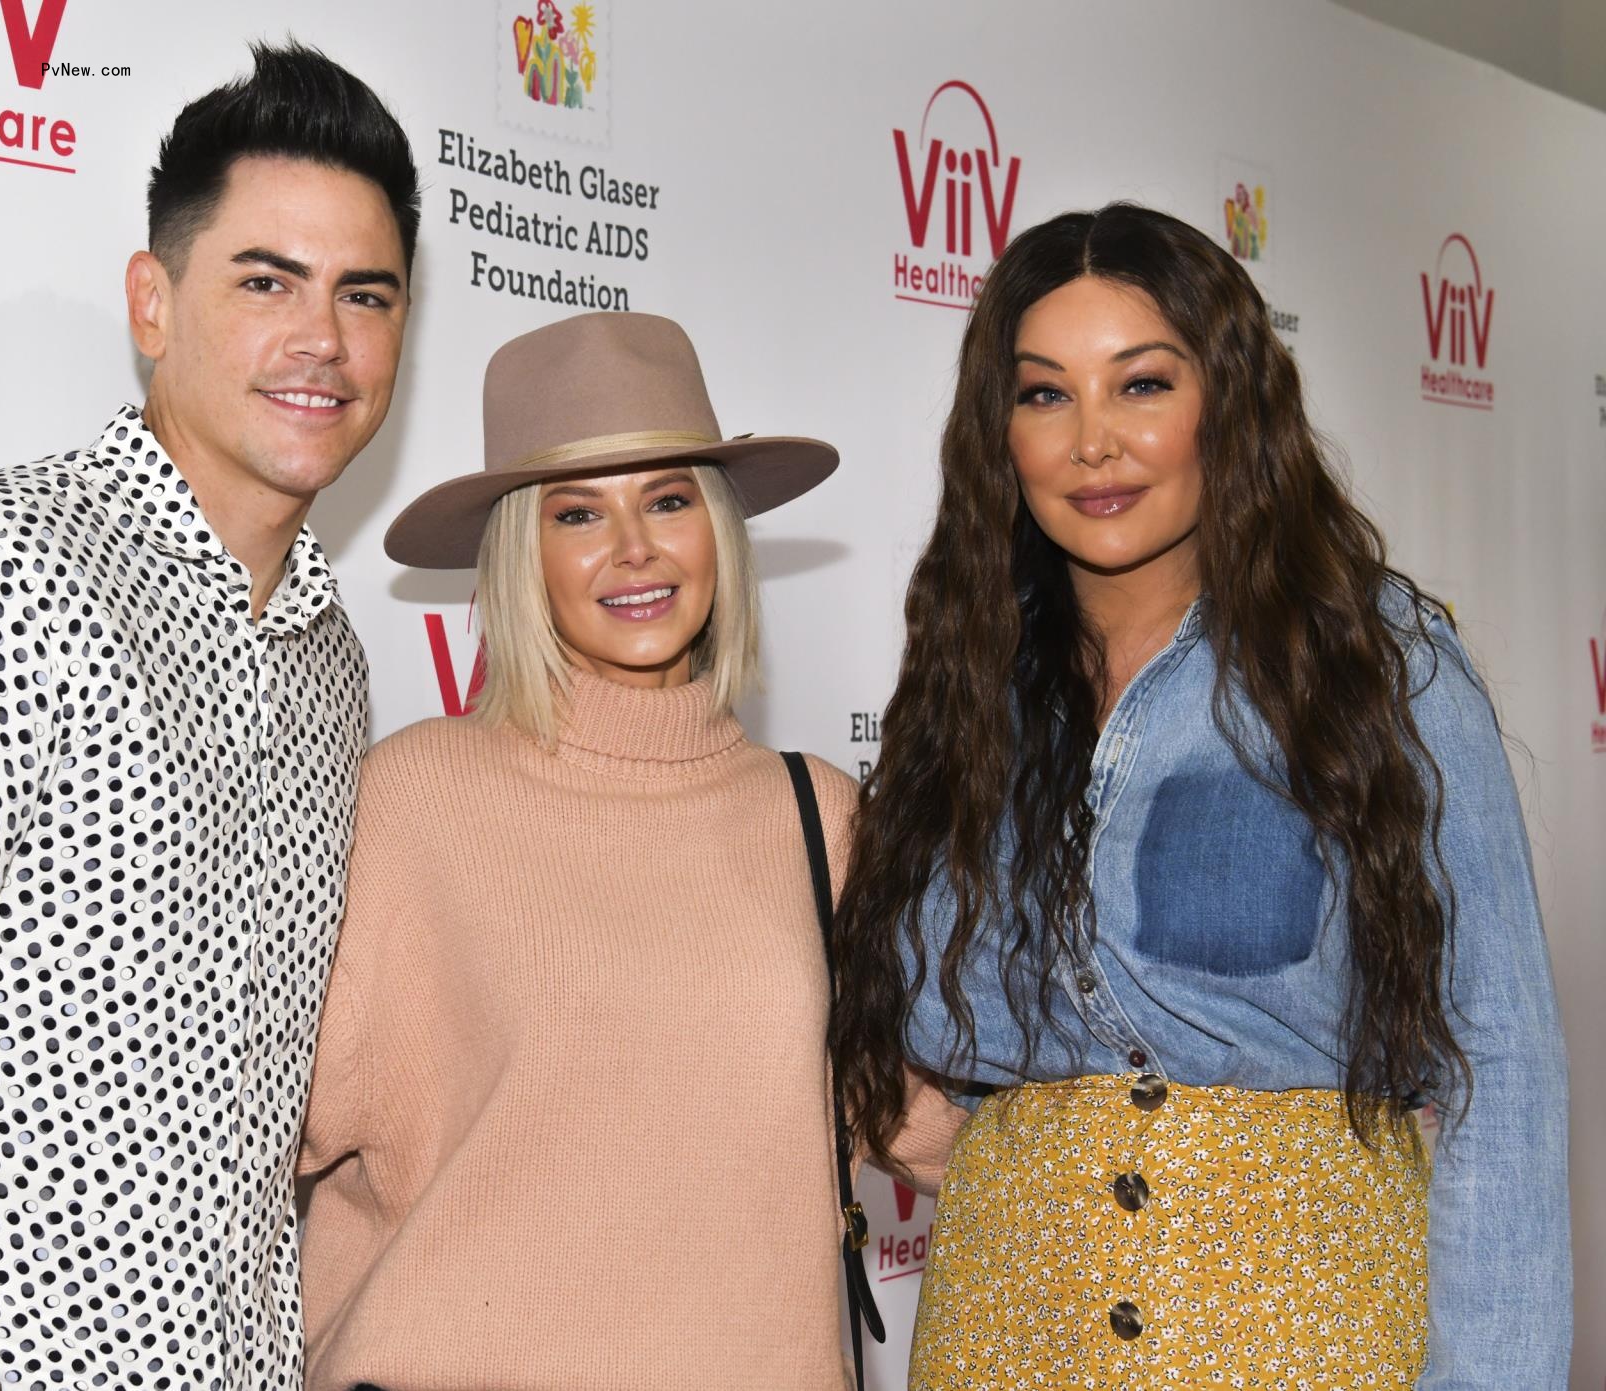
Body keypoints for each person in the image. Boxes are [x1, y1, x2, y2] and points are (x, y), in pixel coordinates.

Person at [0, 42, 417, 1391]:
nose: (323, 341)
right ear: (153, 303)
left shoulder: (331, 660)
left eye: (366, 294)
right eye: (266, 281)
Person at [829, 204, 1571, 1389]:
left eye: (1142, 384)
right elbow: (907, 1041)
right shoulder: (967, 689)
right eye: (1044, 394)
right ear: (998, 432)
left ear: (1225, 400)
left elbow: (1501, 1064)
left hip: (1304, 1336)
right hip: (1001, 1334)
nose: (1093, 443)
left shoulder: (1377, 665)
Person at [295, 311, 961, 1390]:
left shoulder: (821, 816)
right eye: (577, 513)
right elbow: (241, 1124)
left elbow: (941, 1126)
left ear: (718, 530)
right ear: (524, 552)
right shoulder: (414, 800)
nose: (635, 548)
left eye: (667, 498)